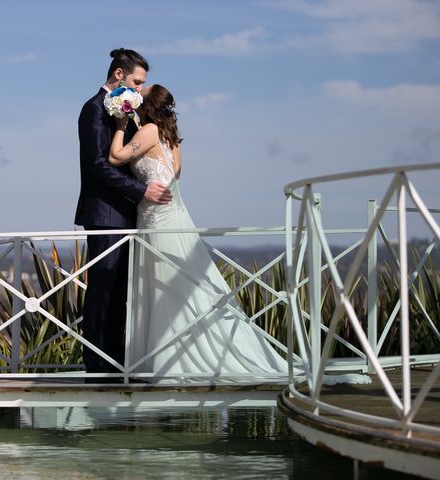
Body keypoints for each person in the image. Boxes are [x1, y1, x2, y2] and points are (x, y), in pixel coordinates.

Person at [109, 84, 288, 381]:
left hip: (156, 219)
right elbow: (176, 171)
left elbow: (116, 157)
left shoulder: (150, 130)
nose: (137, 94)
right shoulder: (170, 134)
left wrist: (120, 124)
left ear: (149, 105)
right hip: (174, 213)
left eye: (143, 92)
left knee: (163, 286)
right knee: (182, 283)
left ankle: (165, 360)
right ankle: (172, 354)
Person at [75, 49, 172, 381]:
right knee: (103, 288)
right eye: (136, 81)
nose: (139, 89)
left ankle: (117, 361)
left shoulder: (128, 113)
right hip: (104, 214)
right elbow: (97, 165)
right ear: (118, 75)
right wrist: (141, 191)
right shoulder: (93, 110)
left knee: (122, 292)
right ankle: (96, 364)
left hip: (130, 215)